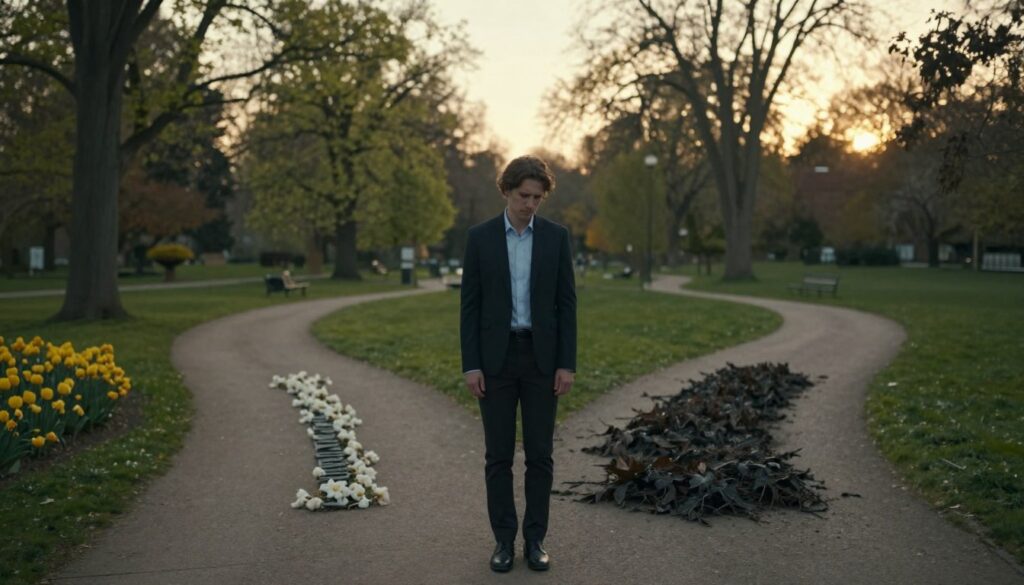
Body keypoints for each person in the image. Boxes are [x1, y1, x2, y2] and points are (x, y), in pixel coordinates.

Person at [460, 155, 577, 572]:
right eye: (524, 196)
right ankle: (504, 541)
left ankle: (536, 539)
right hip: (495, 361)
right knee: (498, 457)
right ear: (507, 191)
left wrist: (566, 363)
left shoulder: (556, 238)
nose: (530, 204)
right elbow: (469, 307)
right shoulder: (480, 238)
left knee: (541, 455)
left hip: (542, 361)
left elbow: (567, 305)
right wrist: (471, 365)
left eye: (538, 198)